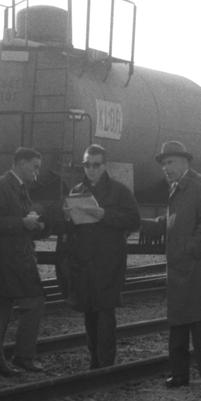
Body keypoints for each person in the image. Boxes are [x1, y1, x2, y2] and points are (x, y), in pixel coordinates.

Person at [153, 140, 201, 392]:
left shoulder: (199, 185)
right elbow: (186, 220)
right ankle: (179, 374)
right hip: (181, 267)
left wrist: (188, 248)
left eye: (170, 162)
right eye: (164, 164)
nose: (166, 168)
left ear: (185, 162)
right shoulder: (177, 187)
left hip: (196, 267)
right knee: (178, 324)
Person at [62, 144, 141, 369]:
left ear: (104, 166)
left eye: (96, 165)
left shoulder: (119, 191)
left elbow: (134, 220)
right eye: (87, 165)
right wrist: (68, 217)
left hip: (109, 261)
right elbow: (70, 230)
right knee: (89, 311)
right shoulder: (77, 191)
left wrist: (105, 214)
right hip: (85, 261)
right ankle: (94, 360)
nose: (91, 169)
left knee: (105, 311)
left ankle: (106, 364)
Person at [0, 147, 48, 376]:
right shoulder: (2, 186)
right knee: (35, 300)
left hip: (14, 257)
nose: (37, 172)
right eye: (35, 167)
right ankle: (22, 356)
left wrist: (35, 225)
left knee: (3, 308)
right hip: (10, 259)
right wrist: (23, 223)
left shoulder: (16, 186)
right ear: (21, 163)